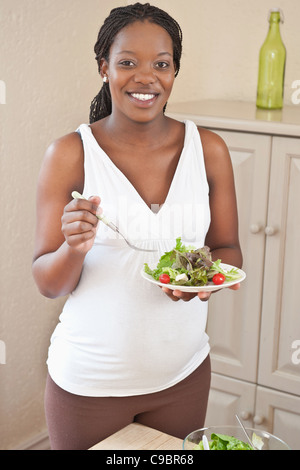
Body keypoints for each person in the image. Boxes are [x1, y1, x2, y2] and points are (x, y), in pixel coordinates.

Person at [32, 3, 242, 450]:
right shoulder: (70, 153)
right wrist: (73, 247)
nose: (145, 77)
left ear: (174, 72)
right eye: (127, 62)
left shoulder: (209, 149)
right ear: (103, 67)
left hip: (183, 376)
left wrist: (205, 281)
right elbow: (48, 283)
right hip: (89, 385)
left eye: (161, 64)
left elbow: (227, 247)